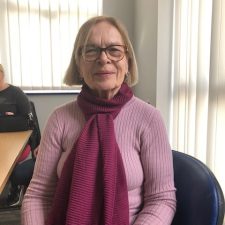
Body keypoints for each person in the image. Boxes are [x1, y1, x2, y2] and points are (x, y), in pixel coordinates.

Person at [21, 16, 176, 225]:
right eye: (91, 50)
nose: (103, 59)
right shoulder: (60, 119)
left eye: (114, 49)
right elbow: (38, 195)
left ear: (127, 62)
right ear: (79, 64)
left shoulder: (149, 118)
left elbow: (162, 199)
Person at [0, 64, 36, 206]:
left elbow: (27, 122)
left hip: (19, 143)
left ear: (2, 75)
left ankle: (15, 187)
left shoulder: (16, 93)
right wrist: (7, 117)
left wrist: (5, 120)